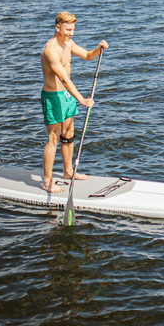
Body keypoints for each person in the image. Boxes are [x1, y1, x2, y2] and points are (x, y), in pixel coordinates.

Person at [40, 11, 108, 193]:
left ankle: (68, 171)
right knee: (53, 138)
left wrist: (98, 48)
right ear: (57, 28)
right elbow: (64, 79)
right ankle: (47, 181)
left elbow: (87, 55)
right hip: (53, 96)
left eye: (73, 29)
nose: (71, 33)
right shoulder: (50, 50)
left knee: (69, 134)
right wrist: (82, 99)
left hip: (67, 96)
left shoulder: (68, 43)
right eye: (68, 29)